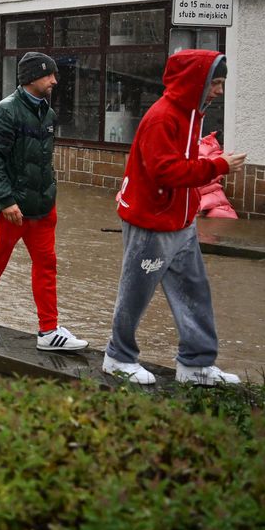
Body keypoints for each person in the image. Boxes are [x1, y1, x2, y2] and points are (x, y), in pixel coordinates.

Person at [102, 50, 246, 387]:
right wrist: (218, 166)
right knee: (135, 293)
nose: (219, 91)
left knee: (195, 291)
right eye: (217, 83)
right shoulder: (163, 117)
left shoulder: (191, 115)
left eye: (222, 84)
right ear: (197, 83)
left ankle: (195, 366)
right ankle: (118, 358)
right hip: (151, 224)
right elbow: (164, 171)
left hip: (181, 223)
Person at [0, 52, 88, 352]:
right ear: (32, 78)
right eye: (49, 76)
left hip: (43, 208)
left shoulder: (48, 114)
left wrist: (50, 196)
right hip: (9, 209)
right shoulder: (4, 112)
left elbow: (42, 161)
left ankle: (49, 330)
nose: (54, 81)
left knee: (47, 266)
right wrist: (6, 201)